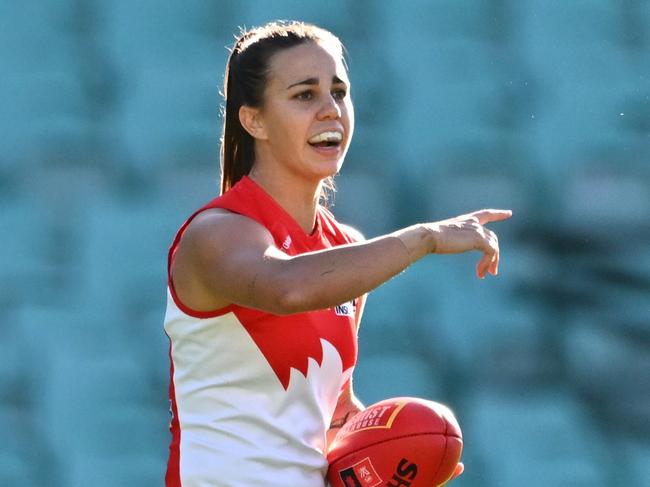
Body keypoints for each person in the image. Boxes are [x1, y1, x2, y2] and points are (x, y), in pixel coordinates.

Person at [163, 20, 511, 487]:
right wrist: (424, 237)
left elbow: (329, 415)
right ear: (254, 120)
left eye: (339, 92)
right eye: (305, 95)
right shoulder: (216, 233)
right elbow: (286, 287)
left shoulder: (342, 247)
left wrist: (405, 455)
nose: (331, 110)